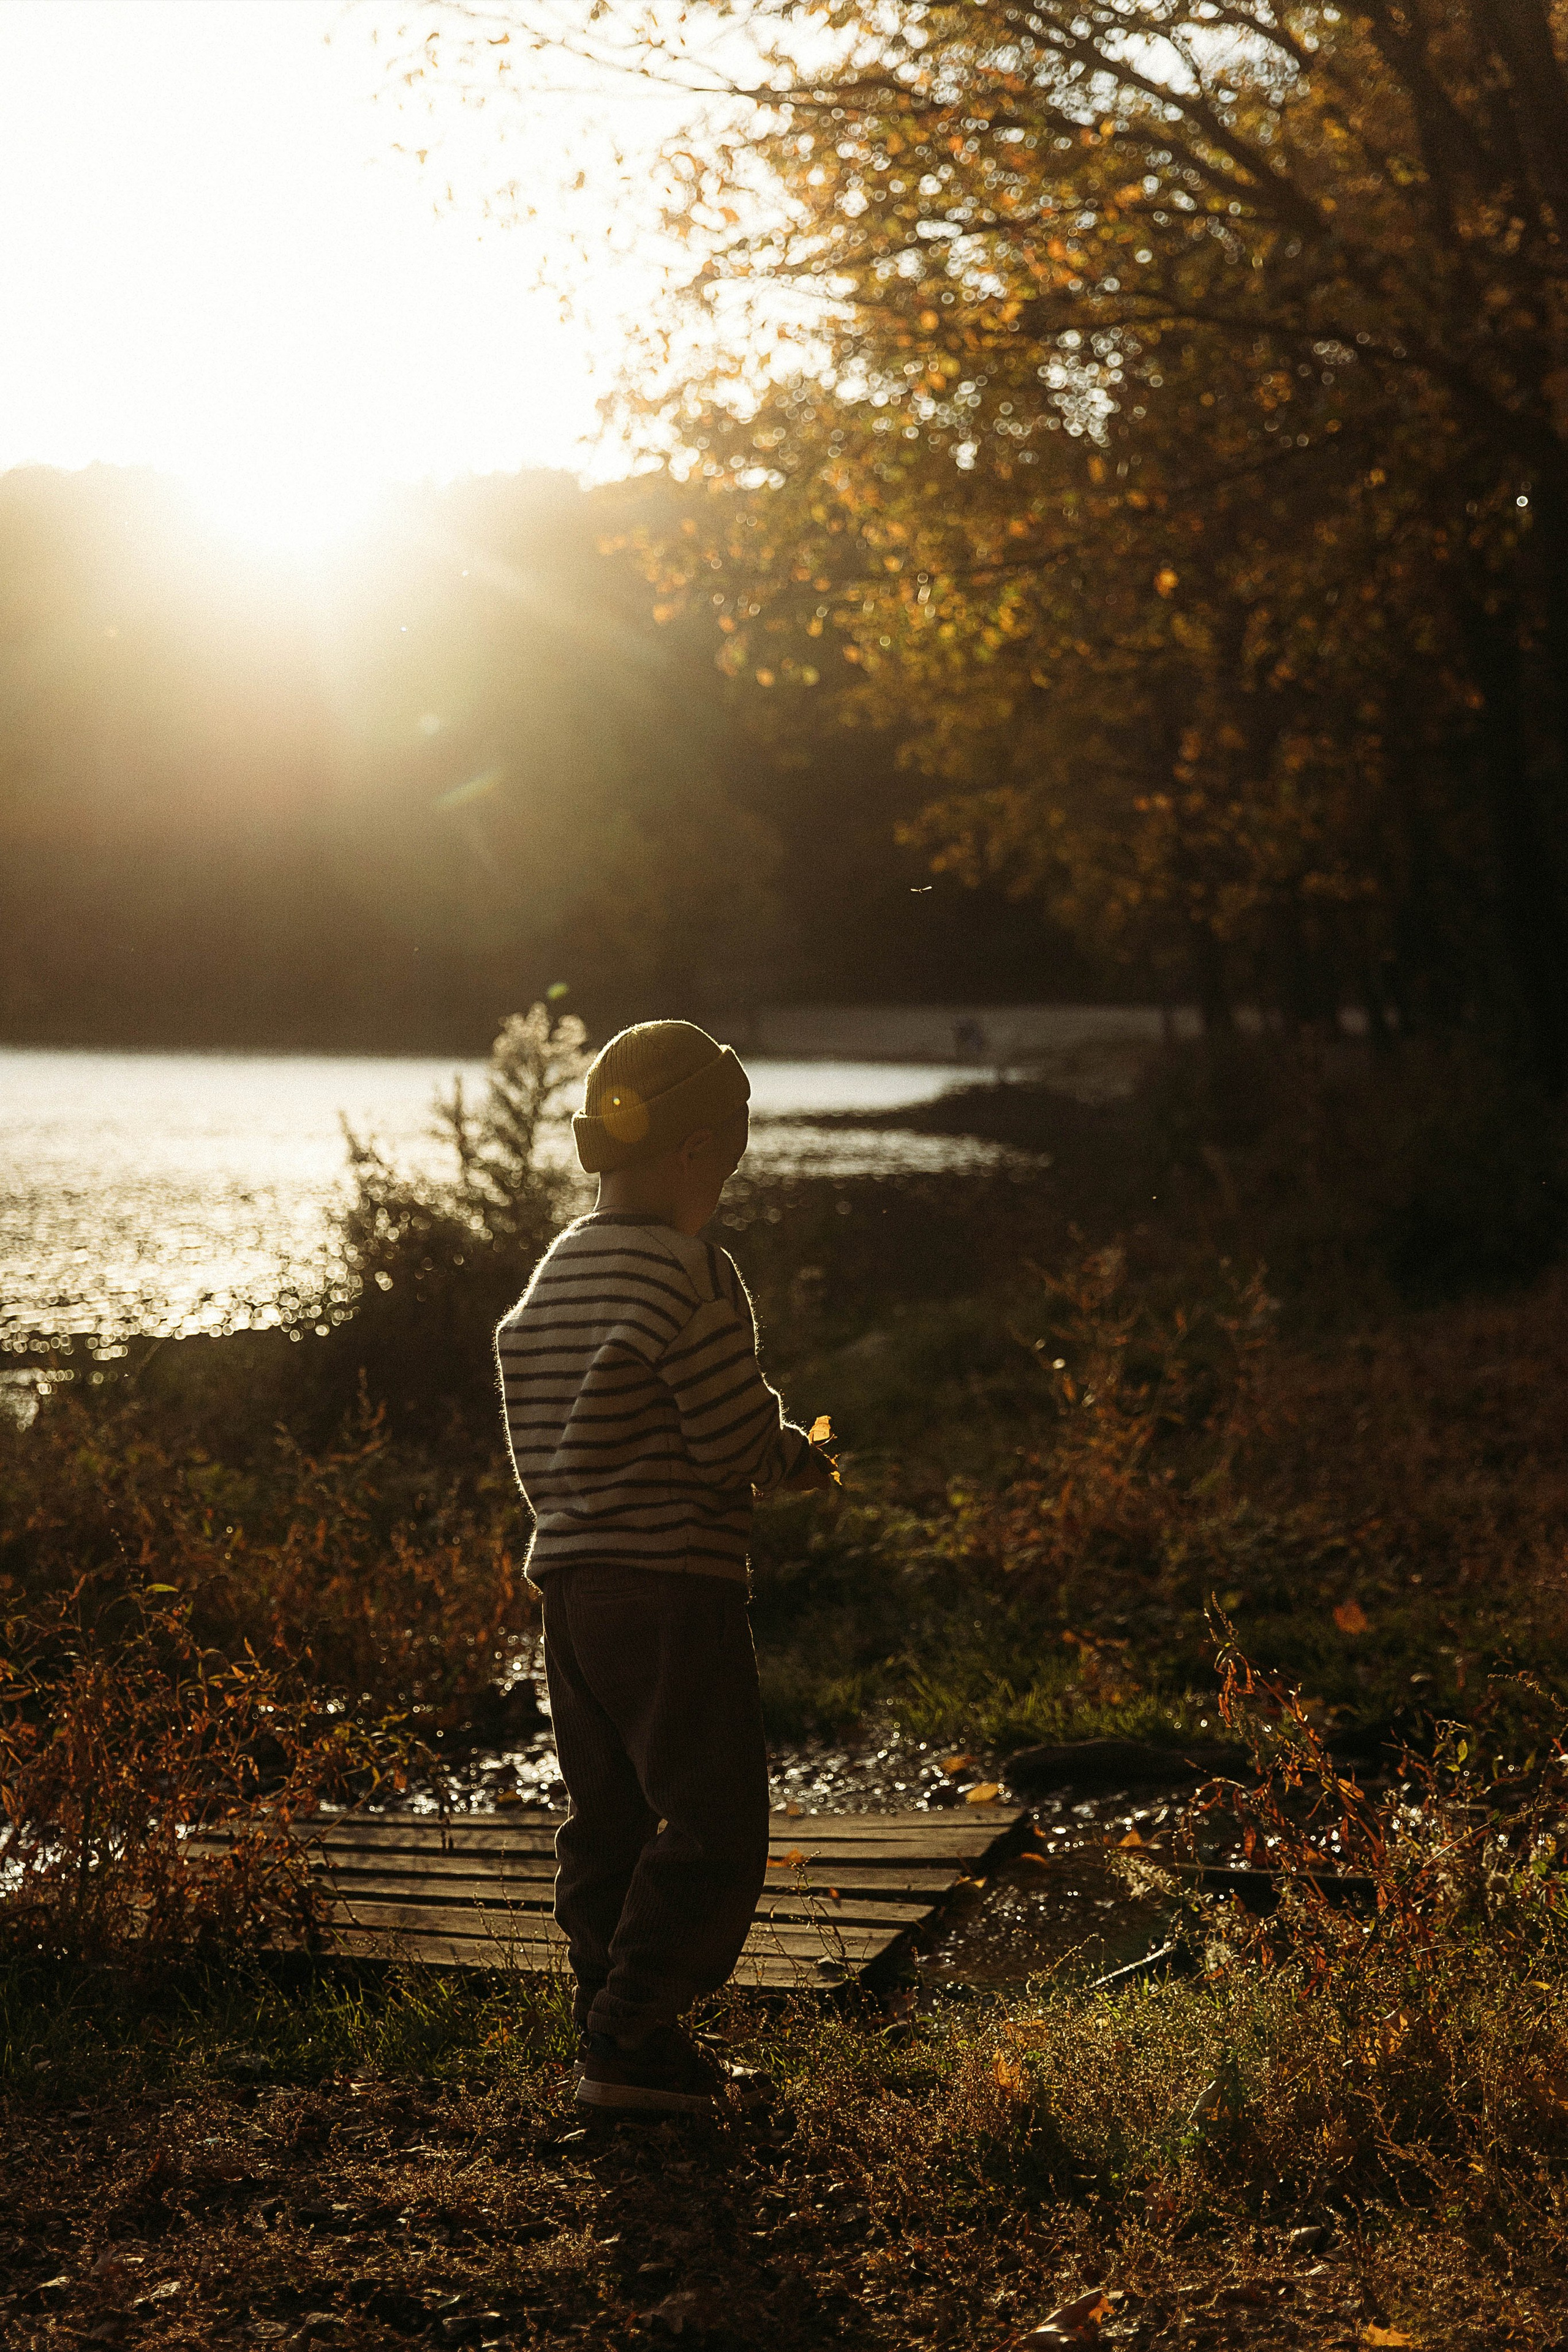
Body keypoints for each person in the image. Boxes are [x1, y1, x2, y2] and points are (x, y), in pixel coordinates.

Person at [496, 1019, 835, 2113]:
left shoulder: (561, 1267)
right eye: (730, 1152)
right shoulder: (690, 1272)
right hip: (674, 1589)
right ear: (696, 1153)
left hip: (576, 1587)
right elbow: (735, 1442)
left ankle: (607, 2022)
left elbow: (534, 1417)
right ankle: (635, 2030)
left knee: (607, 1814)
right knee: (715, 1819)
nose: (730, 1178)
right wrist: (797, 1460)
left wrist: (574, 1519)